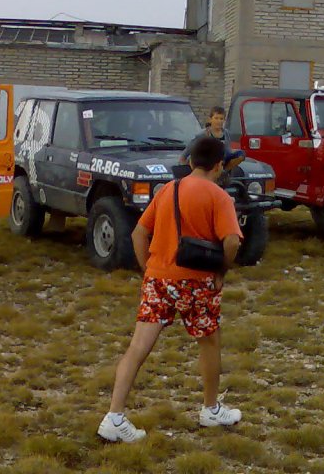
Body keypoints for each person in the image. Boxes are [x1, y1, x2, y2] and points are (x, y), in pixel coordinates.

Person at [98, 136, 244, 443]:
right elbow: (232, 240)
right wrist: (221, 271)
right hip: (197, 281)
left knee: (138, 347)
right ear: (219, 166)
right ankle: (210, 409)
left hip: (159, 278)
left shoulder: (168, 189)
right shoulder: (219, 197)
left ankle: (114, 416)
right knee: (209, 341)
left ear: (190, 161)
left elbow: (139, 233)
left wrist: (148, 271)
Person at [179, 105, 245, 174]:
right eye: (216, 118)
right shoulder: (203, 134)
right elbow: (189, 149)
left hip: (223, 158)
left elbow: (228, 150)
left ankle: (223, 172)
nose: (219, 121)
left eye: (221, 119)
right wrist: (183, 162)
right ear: (210, 119)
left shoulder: (226, 133)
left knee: (241, 154)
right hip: (209, 160)